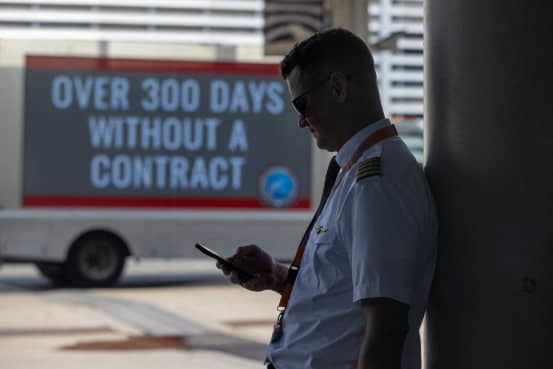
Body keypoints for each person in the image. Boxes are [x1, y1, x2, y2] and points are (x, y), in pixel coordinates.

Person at [217, 28, 437, 369]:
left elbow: (386, 328)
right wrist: (277, 276)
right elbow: (339, 294)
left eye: (301, 104)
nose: (301, 121)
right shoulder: (354, 170)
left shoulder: (376, 182)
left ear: (338, 88)